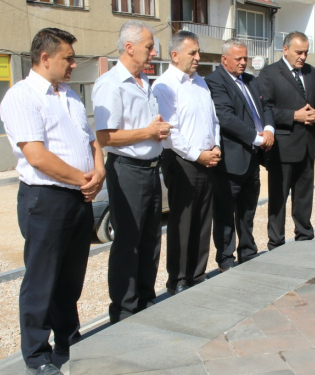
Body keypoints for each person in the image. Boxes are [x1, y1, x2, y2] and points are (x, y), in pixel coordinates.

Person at [0, 28, 105, 374]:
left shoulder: (70, 95)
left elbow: (91, 141)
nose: (74, 64)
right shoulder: (22, 96)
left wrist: (98, 171)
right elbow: (37, 156)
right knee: (42, 279)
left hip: (78, 197)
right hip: (46, 199)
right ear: (45, 58)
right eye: (68, 58)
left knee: (71, 277)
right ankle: (36, 354)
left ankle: (67, 338)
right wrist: (83, 180)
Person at [93, 21, 171, 323]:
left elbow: (144, 130)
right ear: (129, 47)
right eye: (149, 47)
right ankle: (124, 311)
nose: (153, 52)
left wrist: (157, 132)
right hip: (127, 170)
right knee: (128, 241)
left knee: (151, 238)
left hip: (151, 169)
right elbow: (105, 137)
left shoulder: (144, 82)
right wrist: (148, 133)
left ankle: (145, 299)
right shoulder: (111, 84)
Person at [152, 31, 221, 294]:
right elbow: (171, 131)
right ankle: (179, 279)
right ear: (175, 55)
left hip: (207, 158)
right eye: (192, 53)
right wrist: (197, 155)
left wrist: (215, 146)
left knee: (204, 218)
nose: (198, 57)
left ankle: (197, 272)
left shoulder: (201, 83)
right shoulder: (165, 85)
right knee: (183, 220)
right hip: (182, 161)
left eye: (198, 52)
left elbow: (213, 120)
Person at [205, 39, 275, 272]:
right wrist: (256, 138)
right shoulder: (215, 82)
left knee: (248, 209)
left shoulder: (251, 80)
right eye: (239, 59)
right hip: (230, 161)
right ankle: (226, 258)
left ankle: (248, 250)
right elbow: (225, 117)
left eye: (245, 58)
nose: (244, 62)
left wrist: (269, 129)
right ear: (224, 60)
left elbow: (265, 107)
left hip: (252, 158)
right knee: (225, 213)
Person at [258, 31, 315, 250]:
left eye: (306, 52)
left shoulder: (312, 72)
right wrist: (294, 116)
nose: (303, 57)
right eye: (299, 52)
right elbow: (264, 110)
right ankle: (276, 243)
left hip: (307, 146)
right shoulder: (269, 74)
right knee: (278, 199)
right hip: (282, 148)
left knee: (304, 196)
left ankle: (304, 237)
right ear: (285, 49)